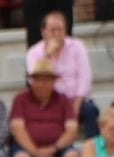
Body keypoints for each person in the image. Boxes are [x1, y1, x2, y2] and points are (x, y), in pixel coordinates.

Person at [10, 59, 79, 157]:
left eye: (46, 79)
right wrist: (35, 152)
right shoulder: (20, 99)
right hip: (27, 147)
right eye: (38, 79)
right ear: (32, 81)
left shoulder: (63, 99)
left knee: (73, 156)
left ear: (53, 81)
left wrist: (53, 149)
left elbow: (72, 129)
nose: (42, 83)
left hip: (57, 147)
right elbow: (17, 129)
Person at [29, 8, 98, 141]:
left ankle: (92, 153)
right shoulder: (34, 53)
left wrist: (75, 106)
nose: (56, 34)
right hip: (51, 102)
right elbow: (36, 83)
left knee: (91, 110)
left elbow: (85, 77)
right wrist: (47, 56)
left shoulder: (78, 46)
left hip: (76, 101)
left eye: (60, 30)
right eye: (52, 30)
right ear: (43, 32)